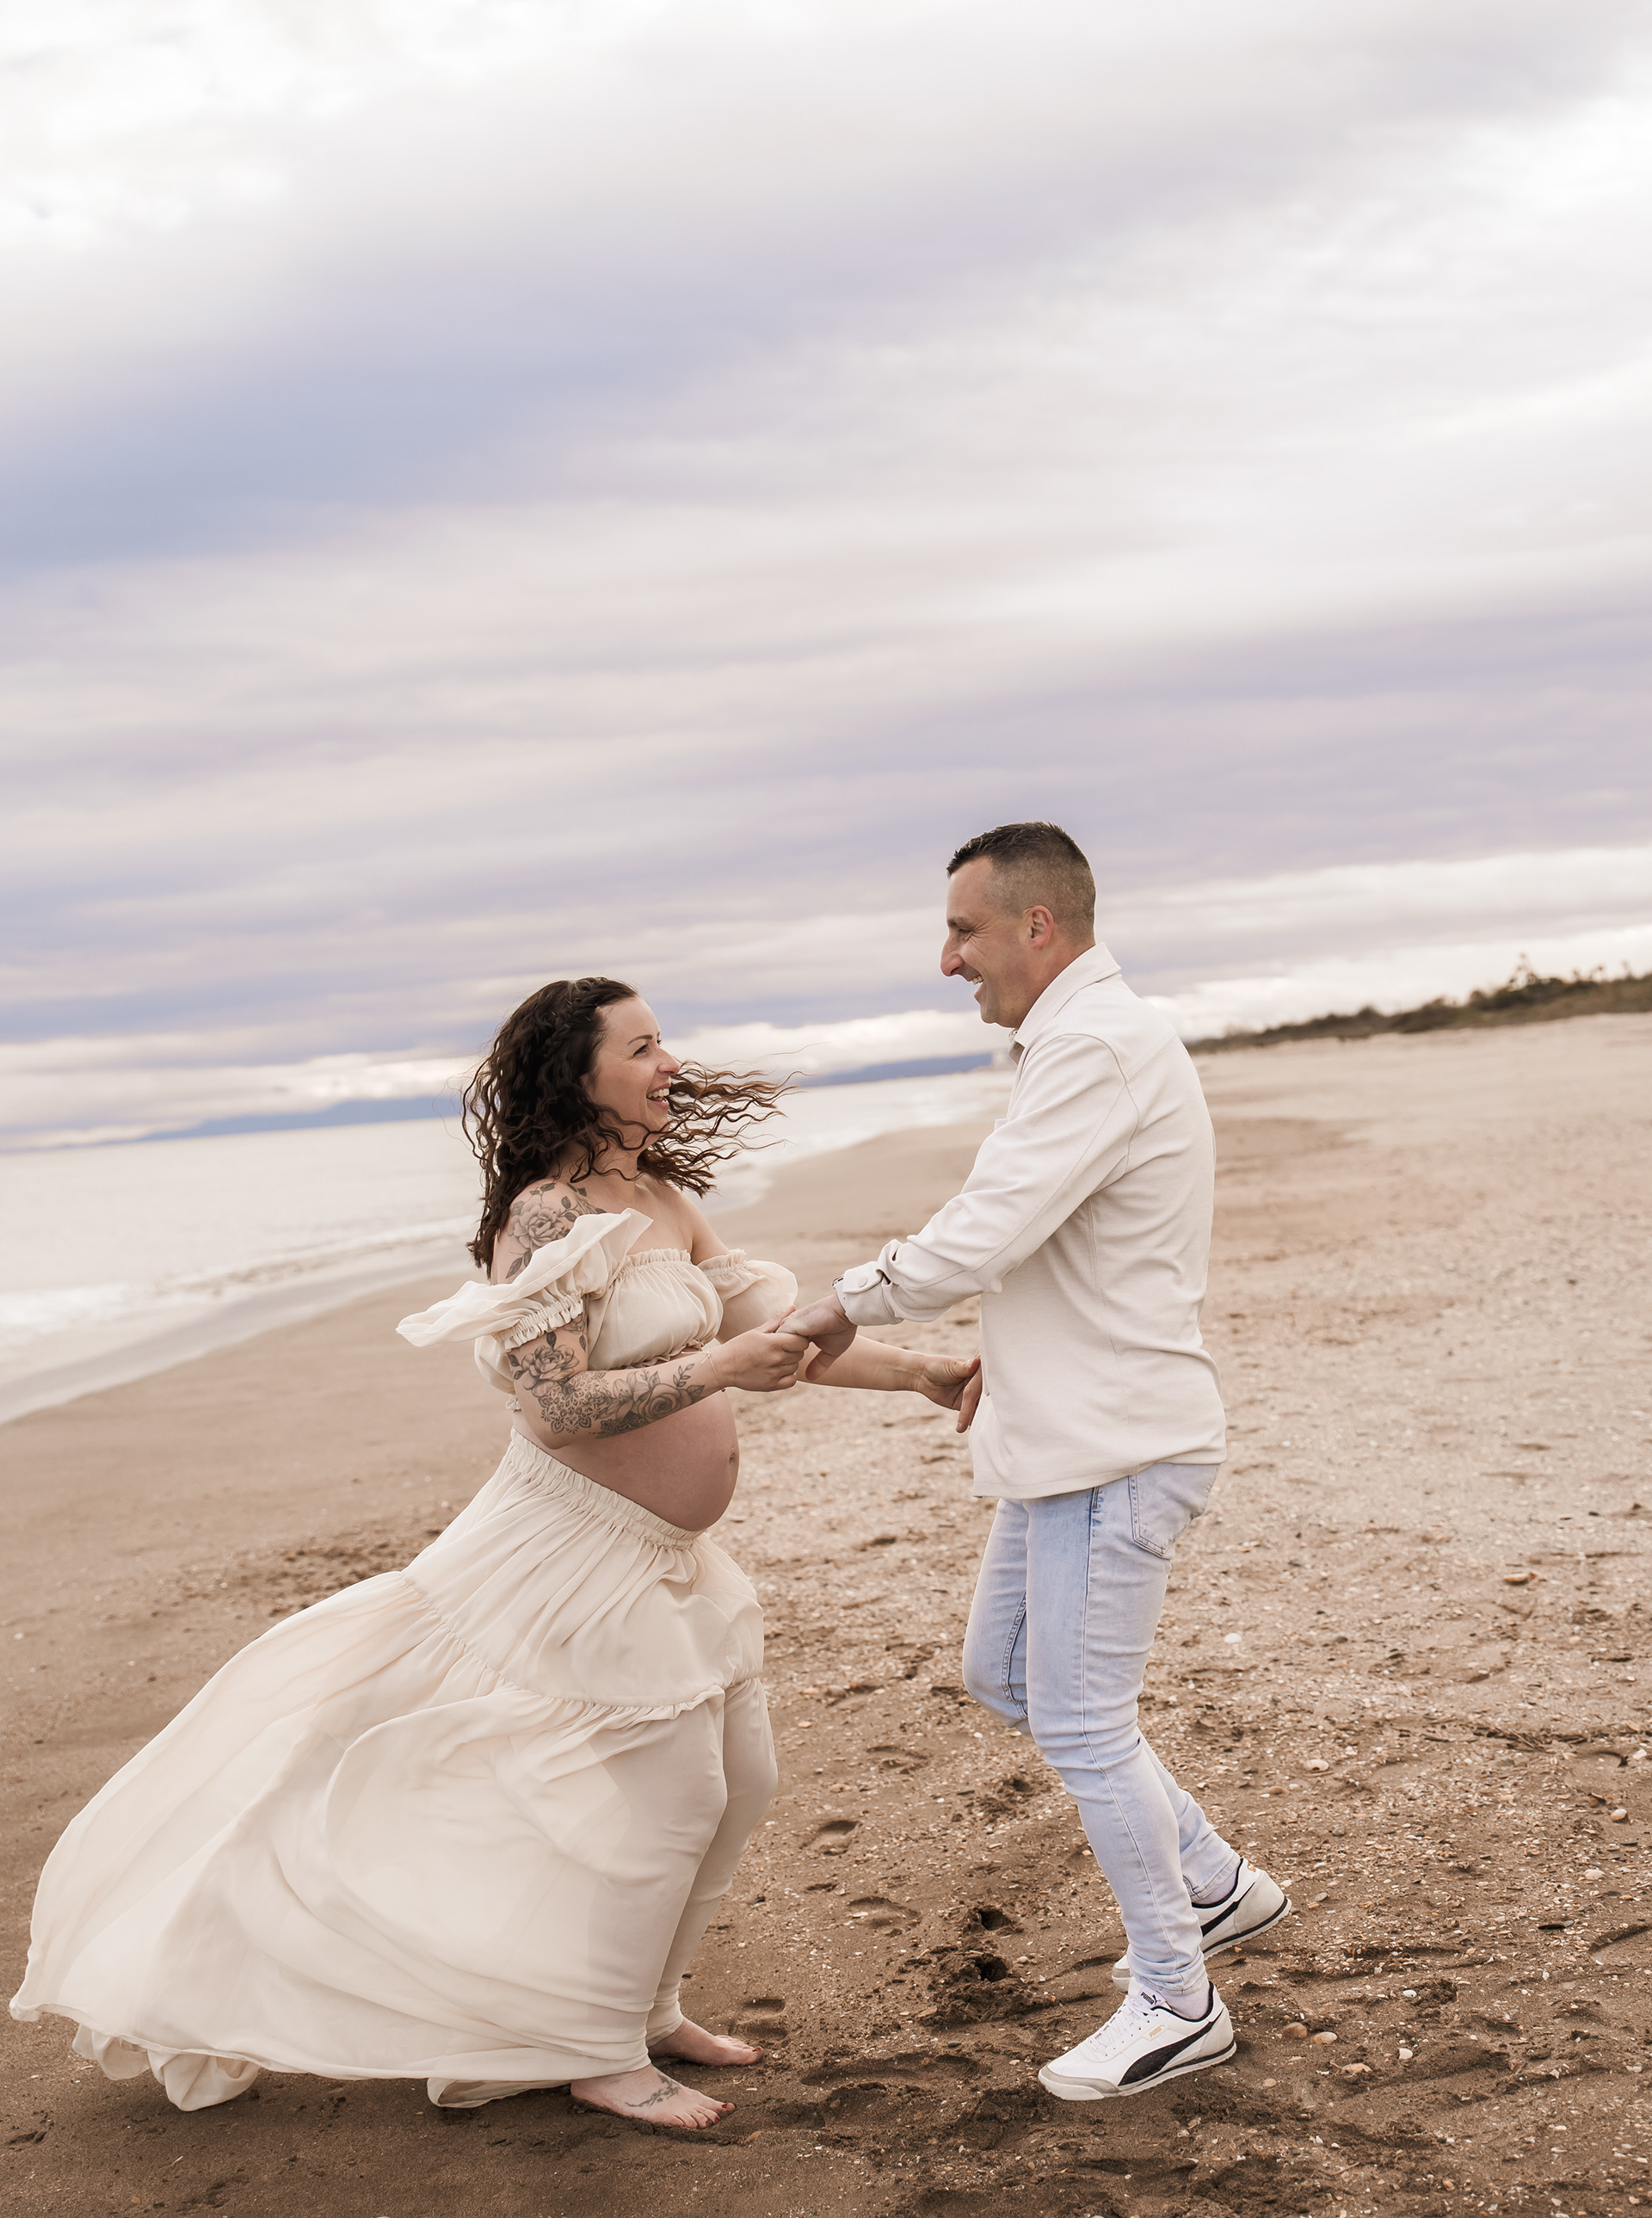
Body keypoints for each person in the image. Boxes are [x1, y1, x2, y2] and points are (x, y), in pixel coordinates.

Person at [12, 978, 976, 2131]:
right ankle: (596, 2049)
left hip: (665, 1554)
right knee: (671, 1795)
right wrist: (719, 1374)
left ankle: (652, 2010)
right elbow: (557, 1402)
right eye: (644, 1046)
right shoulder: (549, 1221)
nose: (670, 1062)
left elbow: (779, 1343)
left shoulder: (662, 1200)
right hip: (566, 1546)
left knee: (741, 1784)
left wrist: (918, 1370)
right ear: (580, 1075)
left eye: (665, 1042)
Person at [781, 824, 1290, 2102]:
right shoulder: (1073, 1046)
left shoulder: (1096, 1049)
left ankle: (1178, 1999)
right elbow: (1047, 1241)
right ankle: (1216, 1883)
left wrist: (847, 1302)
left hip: (1117, 1446)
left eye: (964, 930)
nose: (948, 958)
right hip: (1073, 1437)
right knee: (1002, 1671)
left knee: (1078, 1717)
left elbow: (983, 1233)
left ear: (1039, 927)